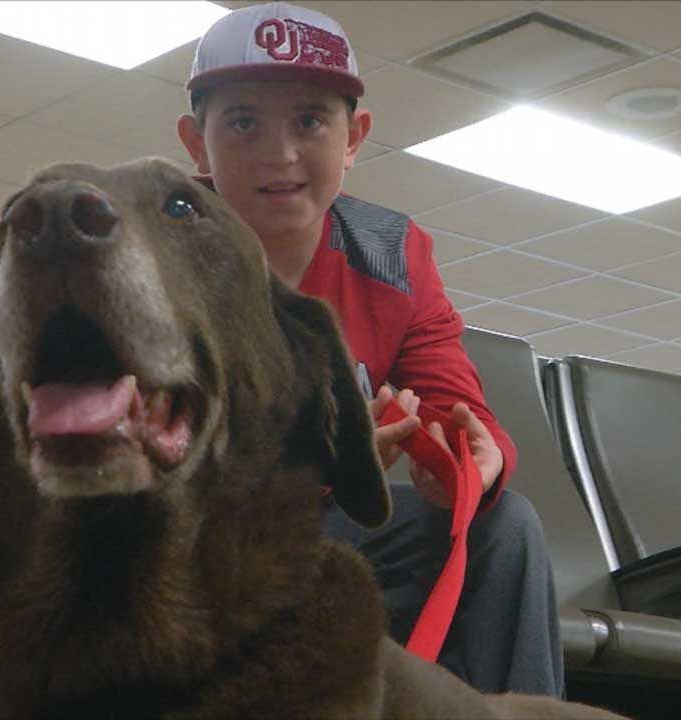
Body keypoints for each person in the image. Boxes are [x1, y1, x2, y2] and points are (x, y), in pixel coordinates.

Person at [175, 2, 565, 697]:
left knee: (504, 527)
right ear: (196, 144)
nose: (282, 152)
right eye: (243, 122)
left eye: (310, 121)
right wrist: (322, 466)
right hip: (176, 537)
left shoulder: (394, 252)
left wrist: (478, 456)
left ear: (353, 138)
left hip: (312, 532)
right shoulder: (149, 250)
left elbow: (455, 401)